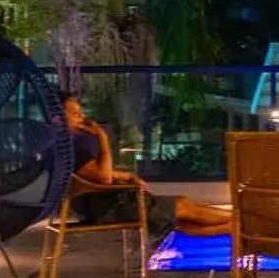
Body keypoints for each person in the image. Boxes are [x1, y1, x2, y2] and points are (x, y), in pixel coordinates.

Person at [59, 93, 229, 234]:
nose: (82, 117)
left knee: (183, 207)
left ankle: (237, 224)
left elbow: (89, 174)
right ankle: (243, 222)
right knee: (183, 208)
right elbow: (104, 178)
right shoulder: (71, 148)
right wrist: (102, 138)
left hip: (103, 205)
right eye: (75, 114)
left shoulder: (61, 146)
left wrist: (128, 176)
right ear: (57, 117)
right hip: (109, 208)